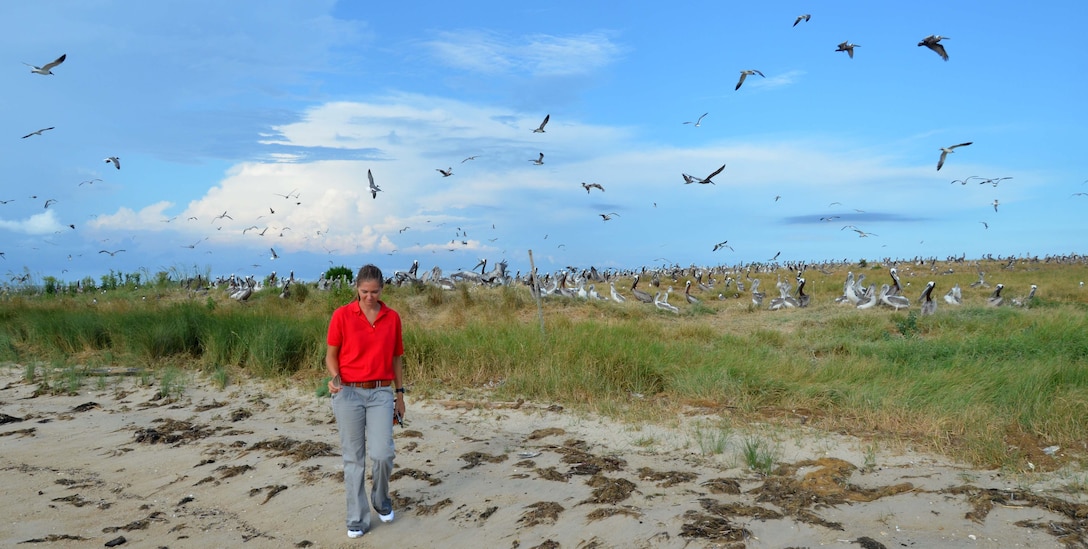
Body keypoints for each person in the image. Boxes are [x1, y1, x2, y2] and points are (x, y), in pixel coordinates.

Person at [326, 264, 406, 539]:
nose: (369, 297)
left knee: (383, 454)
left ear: (382, 290)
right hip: (347, 393)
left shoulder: (393, 318)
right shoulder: (342, 315)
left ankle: (381, 500)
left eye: (374, 292)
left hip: (381, 393)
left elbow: (397, 358)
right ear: (356, 289)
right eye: (364, 292)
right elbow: (331, 355)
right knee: (354, 460)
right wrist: (335, 377)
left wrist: (400, 394)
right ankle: (357, 519)